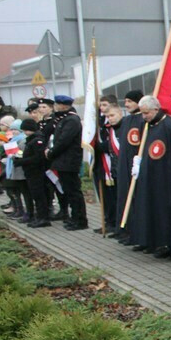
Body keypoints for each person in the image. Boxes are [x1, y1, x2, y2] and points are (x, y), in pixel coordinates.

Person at [127, 95, 171, 257]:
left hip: (163, 176)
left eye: (146, 113)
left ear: (156, 109)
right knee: (147, 207)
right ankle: (149, 240)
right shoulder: (146, 124)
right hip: (147, 174)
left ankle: (165, 244)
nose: (144, 116)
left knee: (161, 211)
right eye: (142, 113)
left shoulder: (168, 125)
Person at [46, 95, 87, 230]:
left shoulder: (71, 120)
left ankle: (80, 220)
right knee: (69, 192)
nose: (55, 107)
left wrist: (51, 153)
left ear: (63, 105)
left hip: (69, 161)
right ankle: (74, 217)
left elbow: (63, 141)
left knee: (74, 192)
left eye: (57, 104)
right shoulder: (63, 119)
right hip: (63, 161)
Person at [116, 90, 145, 242]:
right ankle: (125, 229)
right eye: (125, 102)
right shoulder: (127, 121)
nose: (126, 105)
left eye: (130, 101)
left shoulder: (143, 121)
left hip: (136, 166)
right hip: (124, 166)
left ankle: (137, 233)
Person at [93, 97, 123, 235]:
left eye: (105, 105)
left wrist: (100, 146)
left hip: (112, 164)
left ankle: (116, 223)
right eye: (101, 105)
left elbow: (113, 144)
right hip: (103, 165)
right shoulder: (99, 123)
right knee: (105, 196)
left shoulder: (118, 125)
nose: (102, 108)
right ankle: (108, 221)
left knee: (114, 197)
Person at [22, 100, 52, 228]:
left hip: (36, 171)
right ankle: (39, 217)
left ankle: (43, 217)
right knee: (36, 195)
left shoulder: (37, 140)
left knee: (40, 195)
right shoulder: (32, 139)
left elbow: (37, 158)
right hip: (31, 172)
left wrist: (21, 161)